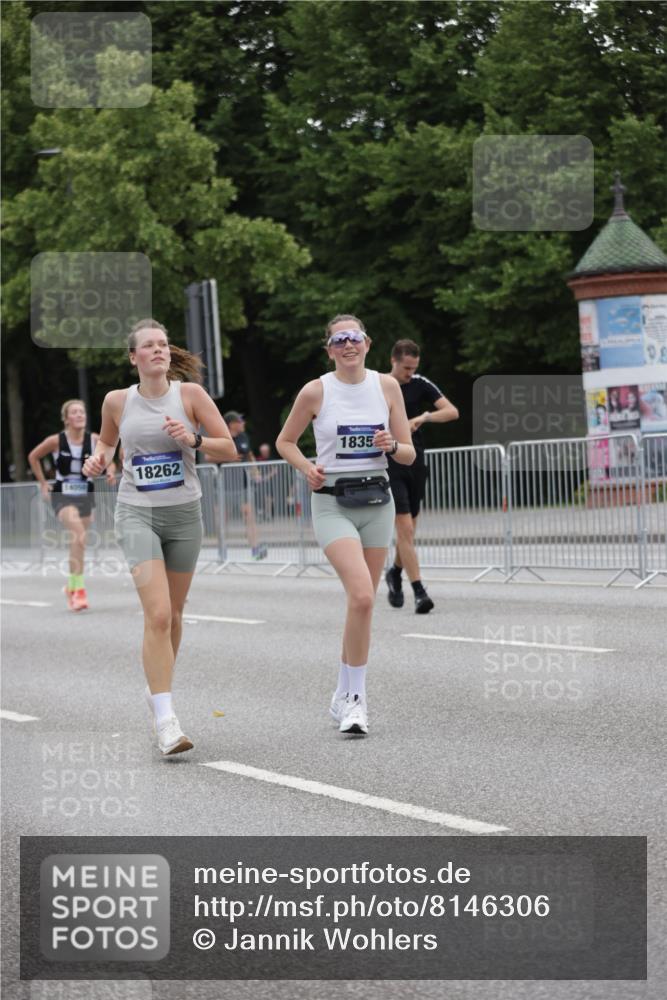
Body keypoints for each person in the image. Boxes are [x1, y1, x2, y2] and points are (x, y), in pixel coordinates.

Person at [82, 319, 237, 756]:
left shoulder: (189, 395)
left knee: (175, 613)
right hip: (137, 515)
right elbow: (107, 445)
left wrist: (193, 438)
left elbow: (229, 448)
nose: (158, 350)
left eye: (163, 345)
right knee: (158, 613)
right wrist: (97, 462)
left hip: (185, 516)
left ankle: (157, 690)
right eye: (148, 346)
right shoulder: (117, 401)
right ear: (134, 357)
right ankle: (166, 720)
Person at [276, 314, 415, 736]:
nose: (348, 345)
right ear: (330, 349)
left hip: (377, 500)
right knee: (360, 594)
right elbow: (285, 441)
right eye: (339, 341)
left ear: (368, 343)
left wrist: (392, 444)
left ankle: (343, 694)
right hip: (332, 503)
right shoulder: (316, 390)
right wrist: (306, 468)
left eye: (354, 338)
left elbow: (408, 453)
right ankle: (356, 701)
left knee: (363, 604)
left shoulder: (386, 386)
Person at [384, 339, 459, 613]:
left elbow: (452, 412)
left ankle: (394, 572)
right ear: (393, 361)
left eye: (413, 368)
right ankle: (419, 591)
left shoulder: (420, 383)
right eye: (405, 368)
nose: (409, 373)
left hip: (416, 462)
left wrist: (424, 417)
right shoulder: (379, 385)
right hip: (389, 464)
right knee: (404, 529)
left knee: (410, 532)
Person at [28, 399, 116, 611]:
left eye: (82, 412)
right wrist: (42, 484)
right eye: (74, 412)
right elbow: (33, 457)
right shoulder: (56, 441)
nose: (79, 415)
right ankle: (78, 591)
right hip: (62, 493)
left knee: (79, 542)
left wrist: (111, 469)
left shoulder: (94, 439)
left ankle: (71, 585)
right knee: (78, 534)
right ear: (66, 419)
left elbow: (109, 457)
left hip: (86, 493)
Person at [204, 411, 267, 559]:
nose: (243, 423)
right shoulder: (220, 437)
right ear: (232, 424)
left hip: (242, 485)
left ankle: (255, 549)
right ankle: (222, 550)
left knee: (249, 516)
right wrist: (228, 457)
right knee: (222, 518)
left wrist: (255, 471)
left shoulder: (243, 437)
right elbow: (208, 457)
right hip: (223, 486)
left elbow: (249, 454)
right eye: (240, 421)